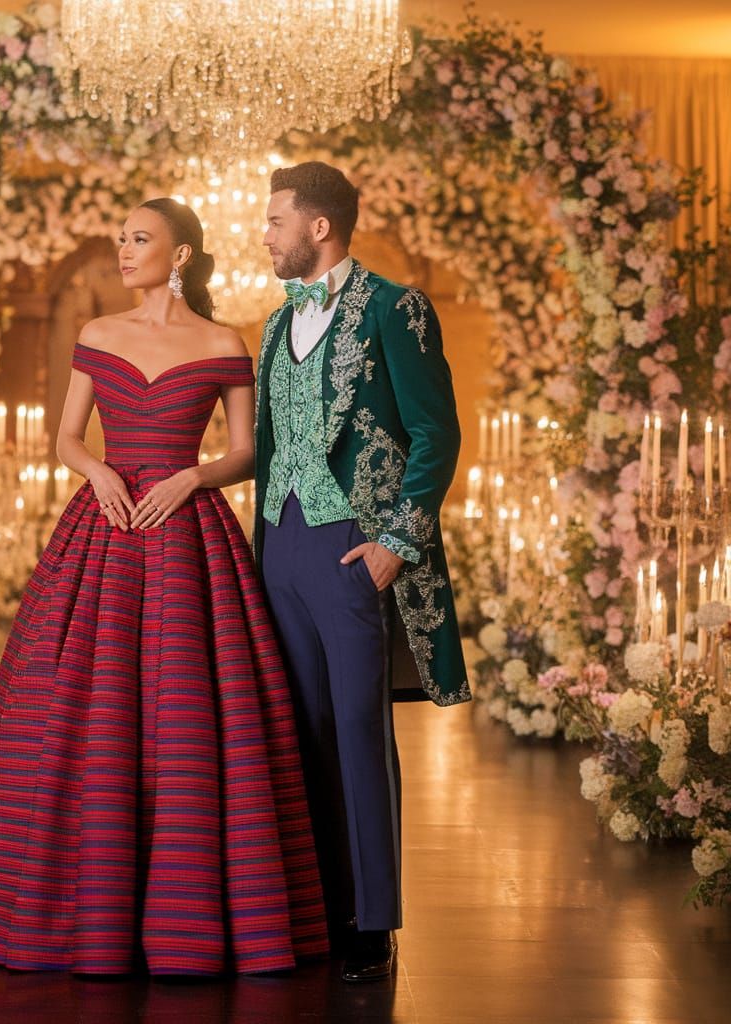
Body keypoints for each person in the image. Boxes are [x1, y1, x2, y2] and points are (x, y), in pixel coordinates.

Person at [0, 198, 328, 976]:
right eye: (120, 238)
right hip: (106, 523)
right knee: (81, 700)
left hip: (187, 531)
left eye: (139, 239)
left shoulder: (223, 342)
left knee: (191, 709)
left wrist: (191, 476)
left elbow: (247, 451)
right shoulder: (97, 333)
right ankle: (73, 909)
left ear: (180, 255)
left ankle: (188, 915)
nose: (123, 250)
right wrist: (99, 471)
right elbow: (66, 438)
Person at [255, 162, 470, 982]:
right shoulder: (275, 325)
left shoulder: (394, 307)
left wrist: (395, 543)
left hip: (353, 544)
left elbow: (436, 433)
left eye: (275, 221)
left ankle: (371, 923)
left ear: (319, 227)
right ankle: (320, 907)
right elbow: (272, 443)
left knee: (356, 728)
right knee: (301, 731)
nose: (264, 236)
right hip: (280, 546)